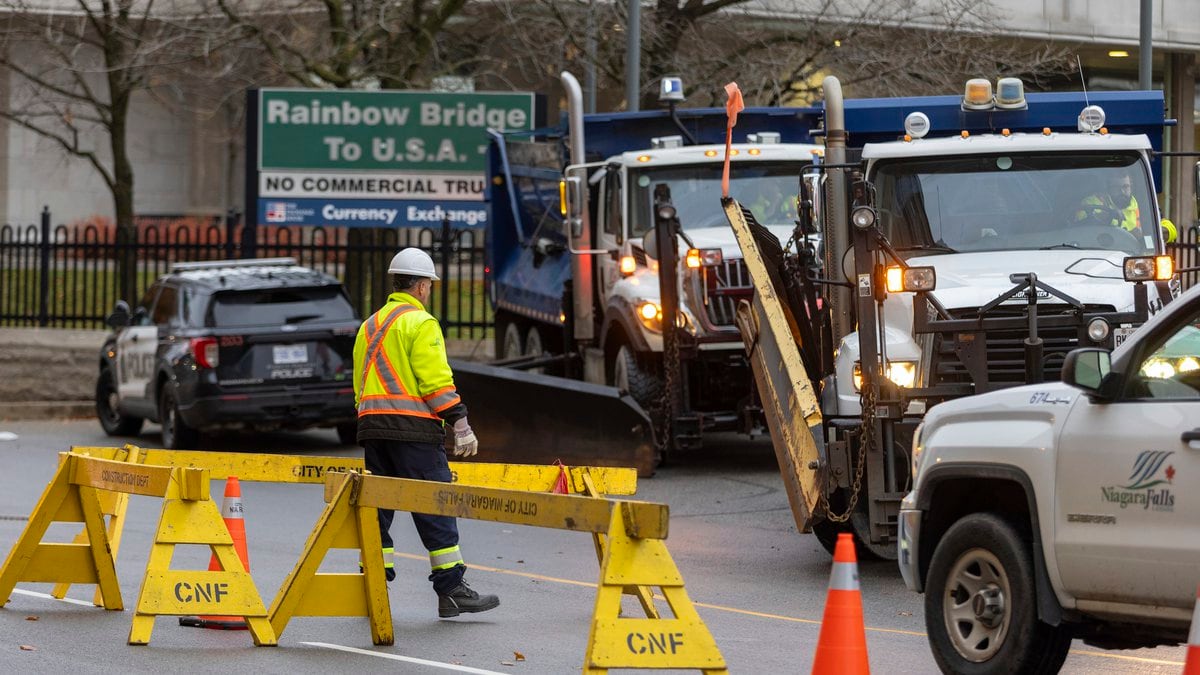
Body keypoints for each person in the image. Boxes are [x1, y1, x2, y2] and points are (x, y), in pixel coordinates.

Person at [352, 247, 500, 619]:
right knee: (435, 502)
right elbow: (434, 381)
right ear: (420, 286)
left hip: (372, 426)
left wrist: (371, 419)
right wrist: (460, 422)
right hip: (413, 430)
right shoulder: (420, 323)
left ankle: (373, 579)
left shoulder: (369, 325)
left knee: (378, 504)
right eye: (429, 285)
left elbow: (359, 385)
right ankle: (451, 588)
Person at [1076, 171, 1141, 233]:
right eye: (1116, 187)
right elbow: (1080, 224)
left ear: (1131, 187)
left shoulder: (1134, 204)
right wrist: (1105, 215)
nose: (1122, 192)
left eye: (1126, 187)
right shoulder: (1091, 202)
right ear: (1108, 188)